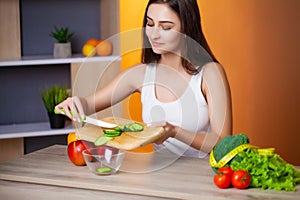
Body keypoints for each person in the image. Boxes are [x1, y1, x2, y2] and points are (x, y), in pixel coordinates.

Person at [55, 0, 232, 158]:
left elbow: (223, 141)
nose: (154, 35)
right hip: (160, 177)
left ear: (187, 28)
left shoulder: (209, 73)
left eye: (166, 27)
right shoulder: (140, 74)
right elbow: (88, 104)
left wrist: (174, 131)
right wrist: (75, 104)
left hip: (203, 177)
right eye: (149, 23)